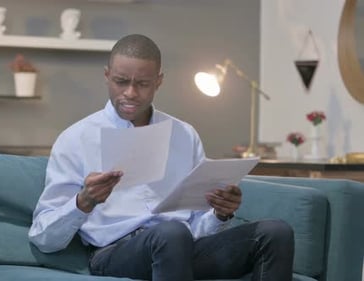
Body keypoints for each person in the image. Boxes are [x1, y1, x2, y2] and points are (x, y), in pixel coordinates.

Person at [29, 34, 294, 281]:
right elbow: (43, 237)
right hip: (114, 253)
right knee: (171, 233)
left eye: (143, 84)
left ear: (159, 81)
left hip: (182, 247)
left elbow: (198, 227)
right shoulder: (76, 139)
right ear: (107, 76)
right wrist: (84, 201)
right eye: (121, 81)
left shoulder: (183, 135)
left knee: (275, 233)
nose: (131, 93)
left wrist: (219, 213)